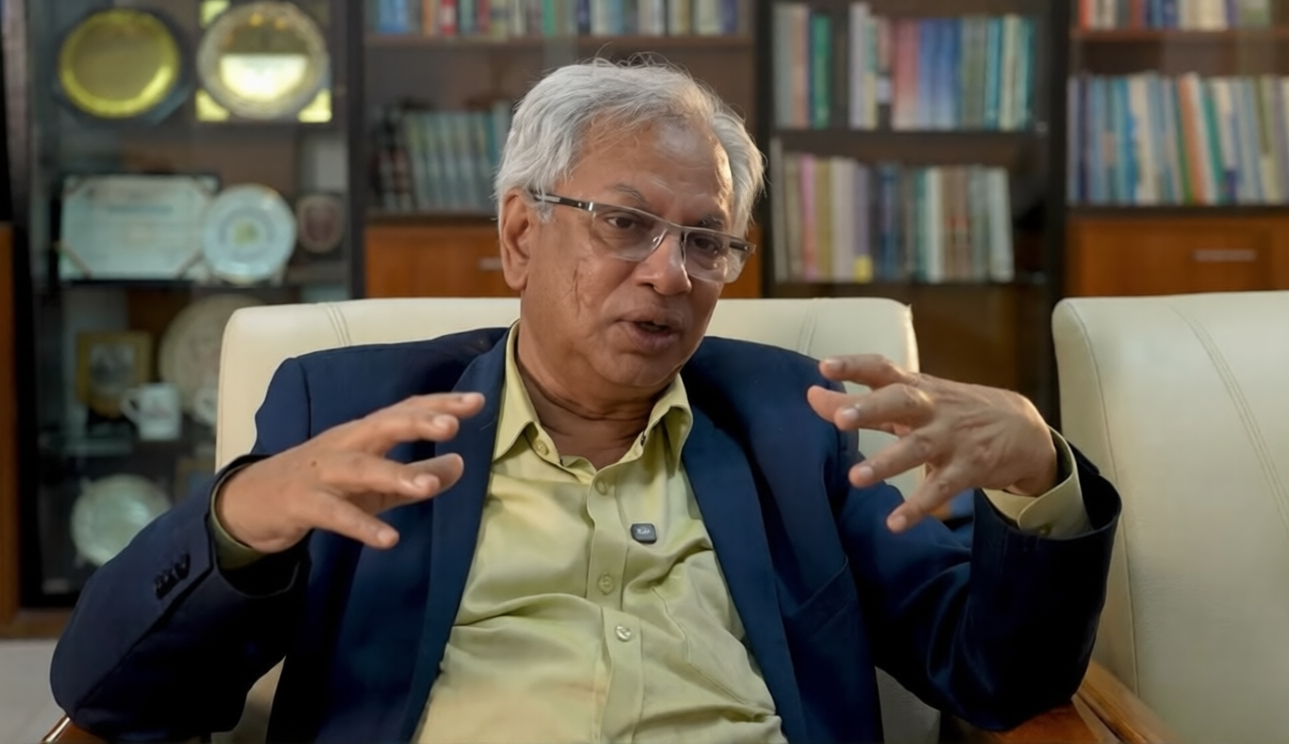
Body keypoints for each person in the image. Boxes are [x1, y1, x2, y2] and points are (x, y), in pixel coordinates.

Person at [49, 59, 1119, 744]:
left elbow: (993, 679)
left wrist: (1040, 478)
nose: (670, 274)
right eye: (626, 223)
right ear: (521, 235)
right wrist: (241, 520)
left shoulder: (802, 422)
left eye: (707, 241)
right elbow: (111, 696)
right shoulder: (351, 409)